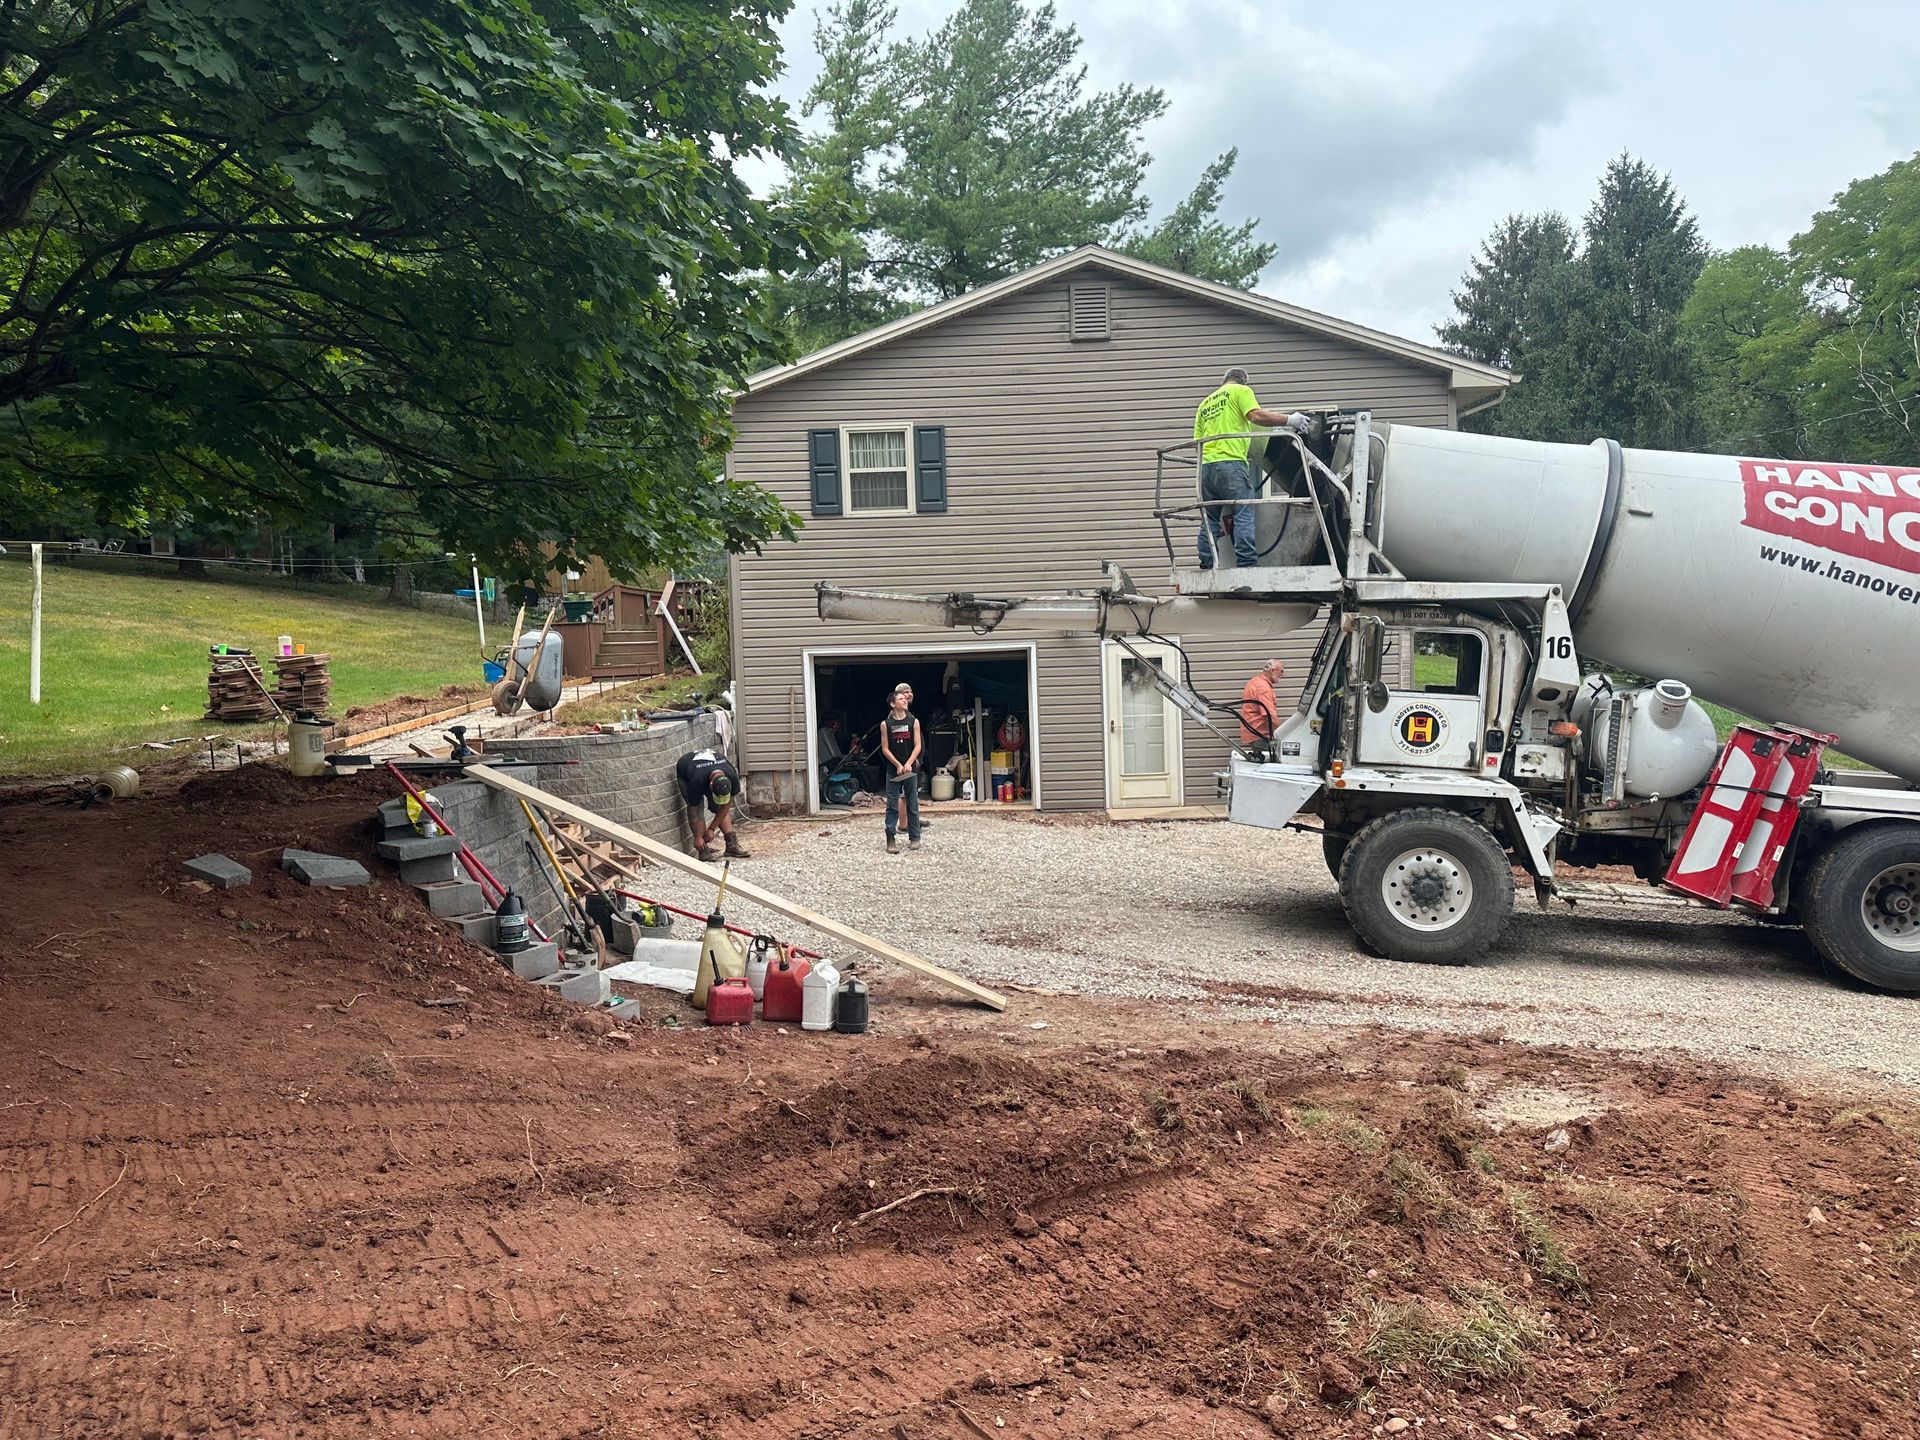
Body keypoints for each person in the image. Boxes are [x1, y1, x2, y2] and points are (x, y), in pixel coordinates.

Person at [1192, 367, 1295, 570]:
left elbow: (1198, 442)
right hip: (1231, 463)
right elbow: (1256, 416)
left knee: (1209, 518)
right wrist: (1290, 420)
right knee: (1243, 512)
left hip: (1206, 468)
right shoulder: (1241, 392)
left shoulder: (1204, 404)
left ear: (1225, 380)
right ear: (1243, 381)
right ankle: (1246, 563)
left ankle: (1207, 562)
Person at [675, 748, 750, 860]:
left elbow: (725, 807)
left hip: (707, 770)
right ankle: (703, 850)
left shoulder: (732, 778)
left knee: (720, 807)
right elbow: (693, 812)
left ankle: (732, 846)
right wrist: (697, 837)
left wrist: (711, 829)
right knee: (698, 807)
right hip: (687, 770)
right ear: (710, 786)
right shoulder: (696, 781)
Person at [879, 682, 923, 853]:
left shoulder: (914, 721)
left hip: (910, 770)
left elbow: (917, 745)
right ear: (892, 703)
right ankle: (890, 839)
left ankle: (915, 837)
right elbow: (885, 748)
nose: (905, 700)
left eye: (906, 698)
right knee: (892, 805)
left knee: (912, 804)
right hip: (893, 771)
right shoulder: (886, 724)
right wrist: (897, 765)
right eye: (901, 698)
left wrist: (909, 763)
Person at [1239, 658, 1287, 748]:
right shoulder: (1263, 688)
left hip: (1253, 733)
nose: (1283, 675)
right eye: (1281, 671)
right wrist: (1283, 734)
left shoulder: (1256, 681)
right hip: (1259, 735)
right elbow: (1270, 716)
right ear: (1272, 670)